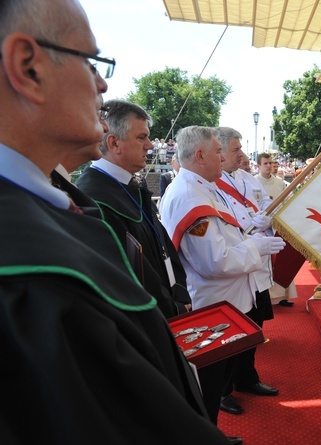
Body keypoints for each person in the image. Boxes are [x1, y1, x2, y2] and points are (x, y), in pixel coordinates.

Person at [0, 1, 233, 443]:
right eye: (90, 62)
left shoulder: (58, 205)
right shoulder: (22, 269)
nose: (103, 83)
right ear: (28, 68)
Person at [77, 100, 192, 319]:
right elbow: (121, 279)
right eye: (141, 137)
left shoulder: (130, 186)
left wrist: (179, 295)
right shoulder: (94, 199)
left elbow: (161, 247)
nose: (149, 145)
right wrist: (170, 309)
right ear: (114, 143)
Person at [213, 127, 282, 414]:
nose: (242, 154)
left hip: (256, 265)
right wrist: (253, 222)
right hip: (235, 269)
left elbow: (267, 204)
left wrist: (268, 218)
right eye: (235, 149)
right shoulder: (211, 184)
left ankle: (246, 378)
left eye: (240, 148)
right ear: (219, 152)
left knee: (254, 326)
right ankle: (221, 391)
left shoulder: (246, 179)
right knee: (231, 334)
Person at [255, 152, 297, 307]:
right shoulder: (254, 182)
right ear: (258, 166)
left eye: (270, 163)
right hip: (262, 227)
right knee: (267, 262)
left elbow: (285, 202)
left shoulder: (279, 182)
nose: (268, 166)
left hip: (278, 224)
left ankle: (283, 296)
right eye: (265, 163)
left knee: (281, 260)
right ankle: (269, 296)